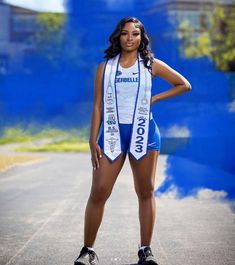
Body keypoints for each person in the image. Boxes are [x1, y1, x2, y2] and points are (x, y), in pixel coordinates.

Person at [74, 17, 191, 265]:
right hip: (113, 134)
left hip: (144, 133)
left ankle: (145, 250)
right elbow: (97, 106)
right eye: (125, 33)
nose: (130, 38)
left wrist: (156, 99)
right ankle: (87, 251)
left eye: (135, 34)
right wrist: (92, 139)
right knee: (99, 192)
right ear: (118, 36)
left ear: (141, 38)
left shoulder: (151, 65)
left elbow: (184, 85)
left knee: (145, 191)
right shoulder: (105, 68)